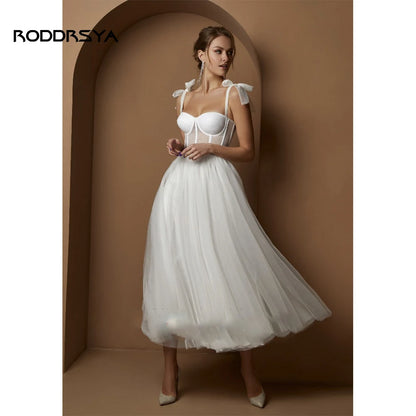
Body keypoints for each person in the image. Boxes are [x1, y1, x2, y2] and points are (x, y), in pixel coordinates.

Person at [140, 26, 332, 408]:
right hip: (177, 188)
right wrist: (179, 146)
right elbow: (189, 143)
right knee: (172, 270)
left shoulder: (235, 94)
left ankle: (248, 372)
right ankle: (170, 369)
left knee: (232, 268)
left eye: (229, 52)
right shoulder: (183, 97)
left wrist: (211, 148)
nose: (226, 58)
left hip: (216, 187)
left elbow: (247, 151)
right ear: (201, 54)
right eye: (218, 51)